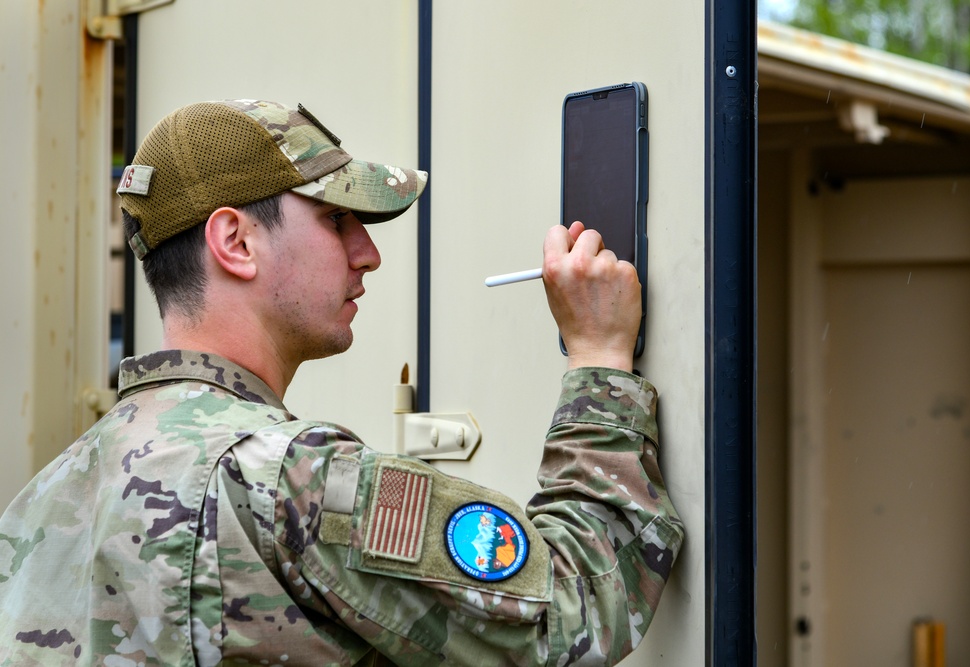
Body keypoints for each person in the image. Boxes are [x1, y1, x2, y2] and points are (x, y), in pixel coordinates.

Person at [0, 99, 683, 666]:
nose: (370, 252)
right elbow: (573, 604)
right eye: (335, 219)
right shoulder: (289, 480)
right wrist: (599, 358)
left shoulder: (43, 503)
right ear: (235, 241)